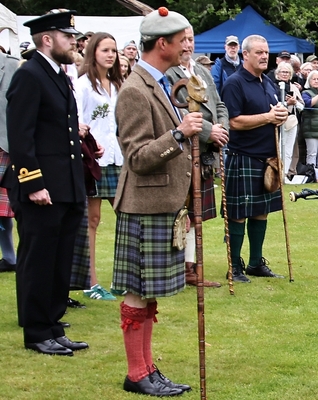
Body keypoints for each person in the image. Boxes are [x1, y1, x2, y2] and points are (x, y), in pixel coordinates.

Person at [112, 7, 200, 396]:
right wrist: (178, 135)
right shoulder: (134, 90)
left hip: (160, 204)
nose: (186, 48)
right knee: (138, 290)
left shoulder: (161, 82)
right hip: (143, 206)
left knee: (148, 293)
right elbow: (136, 158)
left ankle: (147, 368)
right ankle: (136, 374)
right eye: (182, 41)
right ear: (161, 43)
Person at [3, 9, 88, 356]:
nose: (74, 42)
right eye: (68, 37)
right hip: (40, 187)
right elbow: (20, 137)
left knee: (59, 259)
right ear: (48, 39)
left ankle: (54, 324)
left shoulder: (58, 75)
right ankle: (37, 331)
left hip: (64, 186)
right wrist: (33, 182)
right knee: (38, 260)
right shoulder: (30, 75)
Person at [221, 34, 288, 282]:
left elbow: (271, 112)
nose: (264, 56)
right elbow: (232, 121)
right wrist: (268, 118)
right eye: (258, 52)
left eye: (266, 52)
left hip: (267, 159)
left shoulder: (267, 83)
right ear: (245, 55)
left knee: (261, 211)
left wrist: (280, 114)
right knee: (238, 213)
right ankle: (235, 266)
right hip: (243, 157)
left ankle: (255, 263)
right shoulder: (234, 83)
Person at [166, 25, 229, 288]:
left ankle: (190, 269)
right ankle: (176, 268)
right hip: (182, 151)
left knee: (197, 214)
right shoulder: (168, 74)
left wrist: (222, 129)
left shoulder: (202, 70)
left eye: (191, 40)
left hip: (205, 153)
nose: (187, 46)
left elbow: (220, 104)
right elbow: (177, 113)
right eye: (182, 41)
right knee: (181, 212)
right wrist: (209, 131)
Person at [74, 32, 123, 301]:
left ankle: (122, 278)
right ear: (93, 52)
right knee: (92, 221)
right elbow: (79, 123)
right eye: (105, 50)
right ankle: (91, 283)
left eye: (114, 51)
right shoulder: (82, 85)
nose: (110, 55)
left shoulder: (118, 84)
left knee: (125, 217)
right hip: (94, 160)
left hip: (118, 159)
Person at [0, 52, 19, 273]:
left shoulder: (14, 66)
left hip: (7, 145)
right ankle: (9, 257)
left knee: (10, 208)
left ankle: (13, 258)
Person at [272, 62, 304, 177]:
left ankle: (285, 173)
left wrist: (294, 102)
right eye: (282, 72)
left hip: (291, 120)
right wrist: (286, 103)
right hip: (277, 120)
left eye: (287, 72)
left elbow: (302, 107)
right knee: (279, 147)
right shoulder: (272, 86)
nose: (285, 74)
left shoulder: (293, 87)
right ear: (277, 73)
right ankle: (278, 172)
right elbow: (272, 104)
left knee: (289, 148)